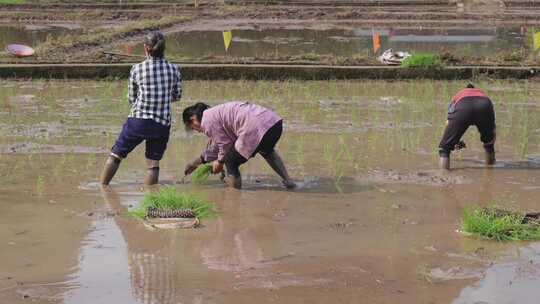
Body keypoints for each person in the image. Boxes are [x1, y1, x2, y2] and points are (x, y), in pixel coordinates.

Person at [100, 31, 182, 185]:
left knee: (116, 155)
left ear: (146, 48)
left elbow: (131, 98)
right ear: (164, 49)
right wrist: (162, 97)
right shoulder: (174, 69)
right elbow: (177, 96)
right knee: (153, 164)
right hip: (161, 124)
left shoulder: (137, 69)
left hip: (138, 122)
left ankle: (103, 189)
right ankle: (150, 200)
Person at [182, 101, 296, 189]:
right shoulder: (214, 114)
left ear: (193, 119)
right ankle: (288, 181)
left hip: (254, 127)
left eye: (193, 127)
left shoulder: (207, 121)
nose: (197, 130)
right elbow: (218, 147)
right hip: (273, 124)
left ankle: (234, 196)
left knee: (230, 160)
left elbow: (225, 146)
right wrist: (195, 163)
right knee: (267, 151)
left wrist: (220, 162)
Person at [438, 84, 496, 169]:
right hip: (484, 105)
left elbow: (449, 122)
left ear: (465, 89)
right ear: (474, 89)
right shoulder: (482, 94)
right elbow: (493, 127)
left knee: (445, 149)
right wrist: (490, 141)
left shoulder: (459, 94)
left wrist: (453, 140)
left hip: (463, 106)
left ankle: (443, 175)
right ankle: (490, 170)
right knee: (489, 144)